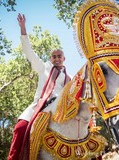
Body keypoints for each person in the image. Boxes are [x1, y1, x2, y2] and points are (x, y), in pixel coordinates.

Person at [8, 13, 71, 160]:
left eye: (59, 56)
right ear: (51, 58)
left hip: (59, 109)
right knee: (20, 127)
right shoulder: (43, 68)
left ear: (63, 59)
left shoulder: (69, 78)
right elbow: (29, 52)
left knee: (88, 129)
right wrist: (23, 28)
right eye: (54, 56)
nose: (56, 58)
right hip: (39, 106)